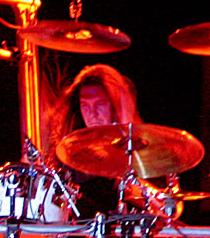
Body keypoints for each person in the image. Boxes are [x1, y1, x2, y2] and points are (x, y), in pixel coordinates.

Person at [46, 63, 145, 219]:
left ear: (115, 106)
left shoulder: (139, 148)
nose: (92, 113)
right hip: (77, 233)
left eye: (100, 104)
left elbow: (152, 202)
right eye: (85, 105)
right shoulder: (67, 151)